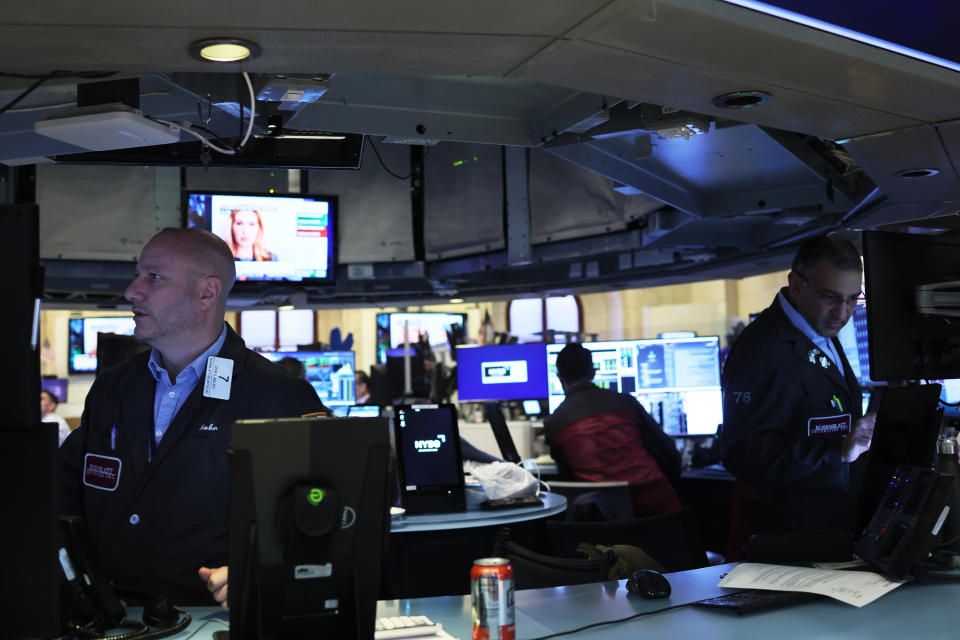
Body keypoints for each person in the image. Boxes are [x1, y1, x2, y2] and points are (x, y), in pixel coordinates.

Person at [58, 228, 325, 606]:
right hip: (115, 620)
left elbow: (327, 510)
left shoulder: (276, 395)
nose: (132, 292)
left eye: (154, 277)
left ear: (207, 293)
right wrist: (77, 581)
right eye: (138, 276)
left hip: (209, 622)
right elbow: (64, 494)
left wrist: (270, 569)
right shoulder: (113, 387)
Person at [719, 235, 876, 559]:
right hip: (784, 539)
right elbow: (743, 453)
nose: (842, 312)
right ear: (796, 284)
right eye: (830, 297)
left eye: (851, 300)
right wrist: (838, 455)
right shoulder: (764, 348)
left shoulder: (820, 332)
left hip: (826, 528)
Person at [544, 343, 683, 518]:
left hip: (603, 523)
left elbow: (566, 477)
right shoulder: (626, 402)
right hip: (658, 512)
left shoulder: (554, 423)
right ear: (593, 372)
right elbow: (668, 453)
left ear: (558, 376)